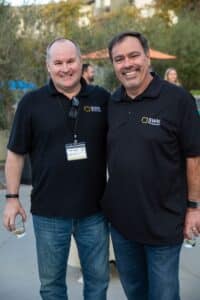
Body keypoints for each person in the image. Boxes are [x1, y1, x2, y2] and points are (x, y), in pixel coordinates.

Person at [3, 38, 110, 300]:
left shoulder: (102, 99)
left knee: (98, 281)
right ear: (48, 66)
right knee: (51, 285)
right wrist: (12, 199)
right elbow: (15, 154)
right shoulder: (31, 103)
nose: (65, 68)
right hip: (49, 213)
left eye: (70, 61)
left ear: (81, 62)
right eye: (58, 62)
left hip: (95, 213)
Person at [101, 31, 200, 300]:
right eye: (119, 59)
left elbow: (194, 157)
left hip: (165, 222)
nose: (127, 64)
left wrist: (194, 207)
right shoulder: (112, 102)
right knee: (135, 291)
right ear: (113, 65)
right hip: (122, 224)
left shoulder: (178, 100)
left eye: (134, 55)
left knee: (164, 294)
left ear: (147, 56)